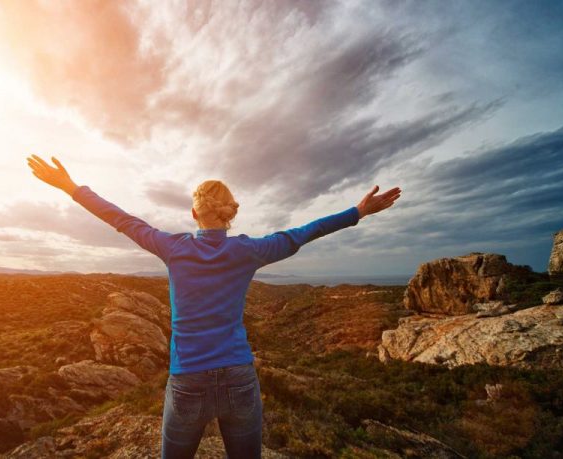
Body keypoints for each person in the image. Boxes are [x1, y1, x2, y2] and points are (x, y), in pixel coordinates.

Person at [26, 154, 401, 458]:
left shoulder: (173, 248)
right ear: (229, 214)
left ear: (194, 214)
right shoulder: (249, 250)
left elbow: (122, 220)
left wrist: (71, 187)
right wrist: (358, 211)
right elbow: (304, 233)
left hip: (188, 379)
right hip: (239, 377)